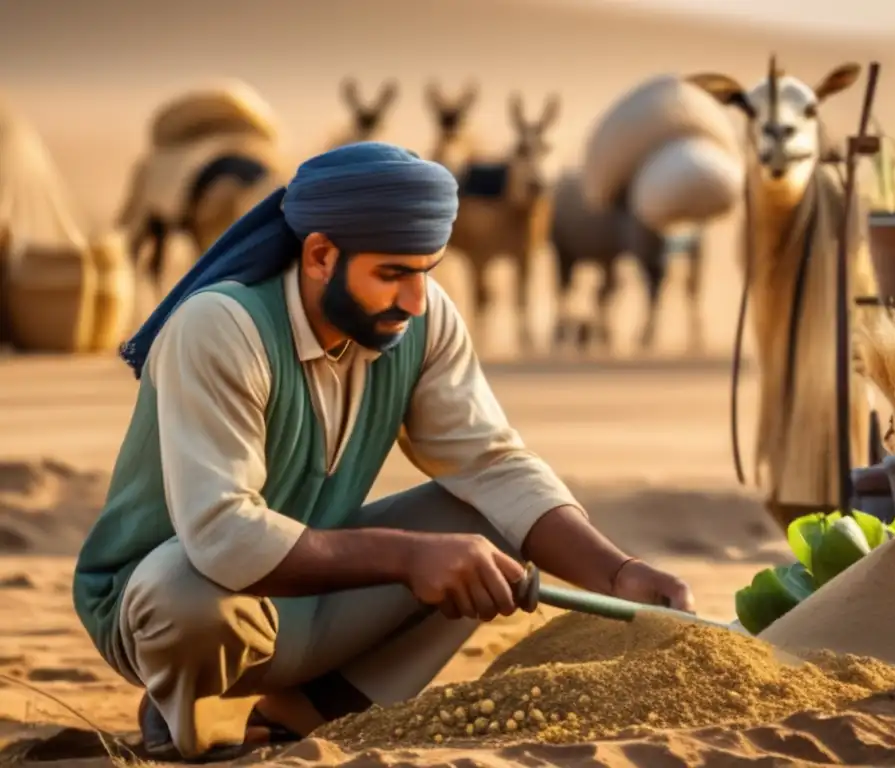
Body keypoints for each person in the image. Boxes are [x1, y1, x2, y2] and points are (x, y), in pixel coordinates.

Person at [72, 142, 695, 762]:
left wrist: (617, 573)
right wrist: (407, 557)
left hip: (307, 597)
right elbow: (222, 536)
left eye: (427, 270)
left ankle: (307, 710)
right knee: (186, 595)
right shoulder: (221, 326)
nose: (416, 299)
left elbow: (495, 466)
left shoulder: (419, 321)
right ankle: (187, 709)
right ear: (320, 255)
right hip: (164, 606)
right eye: (393, 273)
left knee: (487, 525)